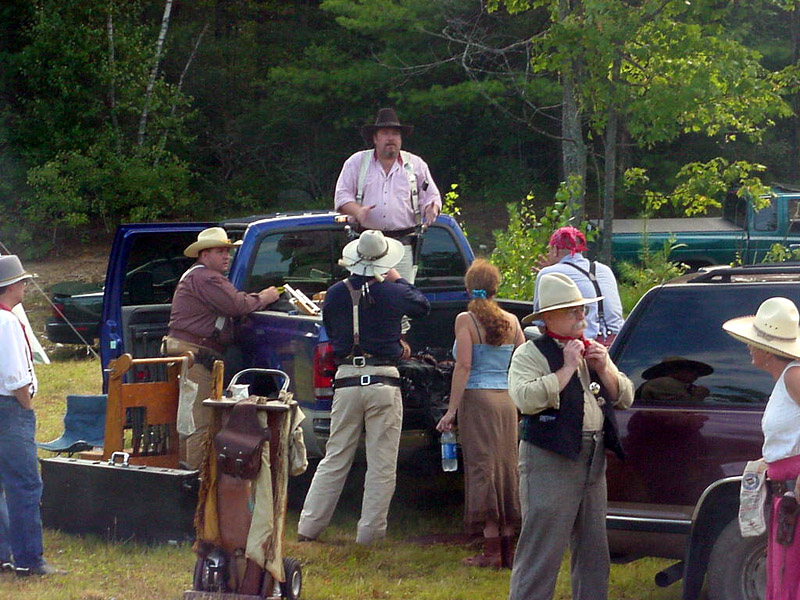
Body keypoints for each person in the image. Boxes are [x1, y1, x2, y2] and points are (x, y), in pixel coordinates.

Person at [297, 230, 430, 544]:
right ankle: (370, 533)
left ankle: (309, 526)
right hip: (384, 379)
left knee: (335, 458)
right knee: (382, 463)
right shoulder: (393, 292)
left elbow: (332, 330)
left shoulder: (334, 294)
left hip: (346, 380)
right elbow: (422, 306)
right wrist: (397, 279)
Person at [508, 272, 633, 600]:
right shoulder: (531, 353)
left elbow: (625, 396)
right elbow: (525, 399)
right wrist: (564, 369)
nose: (582, 317)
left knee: (595, 552)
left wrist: (605, 368)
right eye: (572, 311)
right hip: (549, 458)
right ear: (549, 317)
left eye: (583, 310)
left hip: (592, 457)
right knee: (541, 551)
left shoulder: (592, 352)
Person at [164, 227, 280, 469]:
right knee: (200, 420)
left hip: (191, 352)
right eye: (220, 252)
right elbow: (237, 304)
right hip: (196, 354)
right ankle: (195, 481)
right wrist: (266, 297)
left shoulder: (198, 277)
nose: (226, 256)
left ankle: (188, 476)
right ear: (204, 255)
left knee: (190, 419)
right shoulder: (206, 277)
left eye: (227, 252)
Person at [436, 259, 524, 569]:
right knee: (507, 469)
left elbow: (464, 365)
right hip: (507, 402)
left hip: (478, 399)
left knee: (482, 469)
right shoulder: (512, 320)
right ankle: (509, 547)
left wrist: (451, 410)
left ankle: (490, 550)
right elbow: (521, 361)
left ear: (467, 286)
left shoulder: (466, 320)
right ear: (496, 286)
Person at [723, 297, 800, 600]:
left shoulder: (794, 375)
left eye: (753, 342)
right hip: (785, 492)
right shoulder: (785, 378)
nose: (749, 347)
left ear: (769, 351)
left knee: (791, 577)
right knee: (784, 573)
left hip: (795, 492)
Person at [334, 108, 441, 307]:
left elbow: (432, 197)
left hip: (403, 247)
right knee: (365, 305)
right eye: (385, 133)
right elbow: (341, 197)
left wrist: (431, 209)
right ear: (375, 138)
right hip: (365, 249)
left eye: (395, 134)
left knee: (402, 305)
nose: (391, 138)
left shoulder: (415, 165)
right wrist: (357, 211)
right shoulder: (357, 163)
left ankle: (399, 338)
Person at [0, 255, 65, 577]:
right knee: (24, 485)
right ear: (11, 285)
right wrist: (26, 405)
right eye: (23, 281)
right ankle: (28, 559)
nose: (26, 285)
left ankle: (3, 555)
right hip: (9, 409)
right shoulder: (7, 321)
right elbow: (16, 378)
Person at [532, 226, 624, 345]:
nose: (548, 254)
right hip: (619, 345)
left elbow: (543, 325)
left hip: (583, 346)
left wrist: (548, 273)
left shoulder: (547, 274)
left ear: (555, 250)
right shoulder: (605, 270)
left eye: (549, 250)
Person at [638, 356, 713, 401]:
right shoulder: (664, 383)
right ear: (673, 370)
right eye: (690, 369)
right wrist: (700, 395)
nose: (695, 373)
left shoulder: (686, 387)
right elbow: (687, 408)